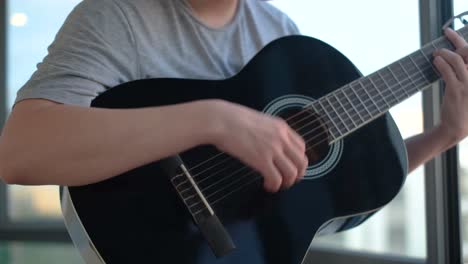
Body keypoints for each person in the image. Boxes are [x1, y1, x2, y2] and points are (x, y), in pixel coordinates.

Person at [0, 0, 467, 194]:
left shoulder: (281, 35)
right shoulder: (116, 16)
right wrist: (213, 120)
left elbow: (329, 198)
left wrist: (445, 134)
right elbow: (20, 152)